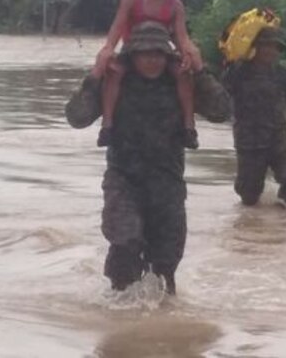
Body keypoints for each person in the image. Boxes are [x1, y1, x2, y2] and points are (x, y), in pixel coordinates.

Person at [65, 22, 232, 295]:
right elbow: (77, 117)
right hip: (124, 182)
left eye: (158, 54)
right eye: (145, 54)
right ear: (132, 55)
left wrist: (200, 71)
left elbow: (222, 111)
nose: (152, 60)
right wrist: (96, 74)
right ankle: (118, 313)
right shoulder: (115, 82)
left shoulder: (181, 83)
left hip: (167, 186)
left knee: (165, 267)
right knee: (126, 243)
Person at [94, 0, 204, 150]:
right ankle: (107, 124)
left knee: (183, 75)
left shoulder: (176, 5)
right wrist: (107, 50)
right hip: (131, 51)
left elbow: (181, 37)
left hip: (162, 52)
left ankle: (189, 126)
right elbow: (116, 30)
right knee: (114, 74)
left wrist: (189, 53)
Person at [221, 27, 286, 208]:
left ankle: (285, 216)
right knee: (249, 196)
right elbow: (219, 97)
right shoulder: (238, 72)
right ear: (255, 47)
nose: (270, 50)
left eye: (275, 47)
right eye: (265, 45)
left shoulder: (283, 74)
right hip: (249, 140)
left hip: (277, 137)